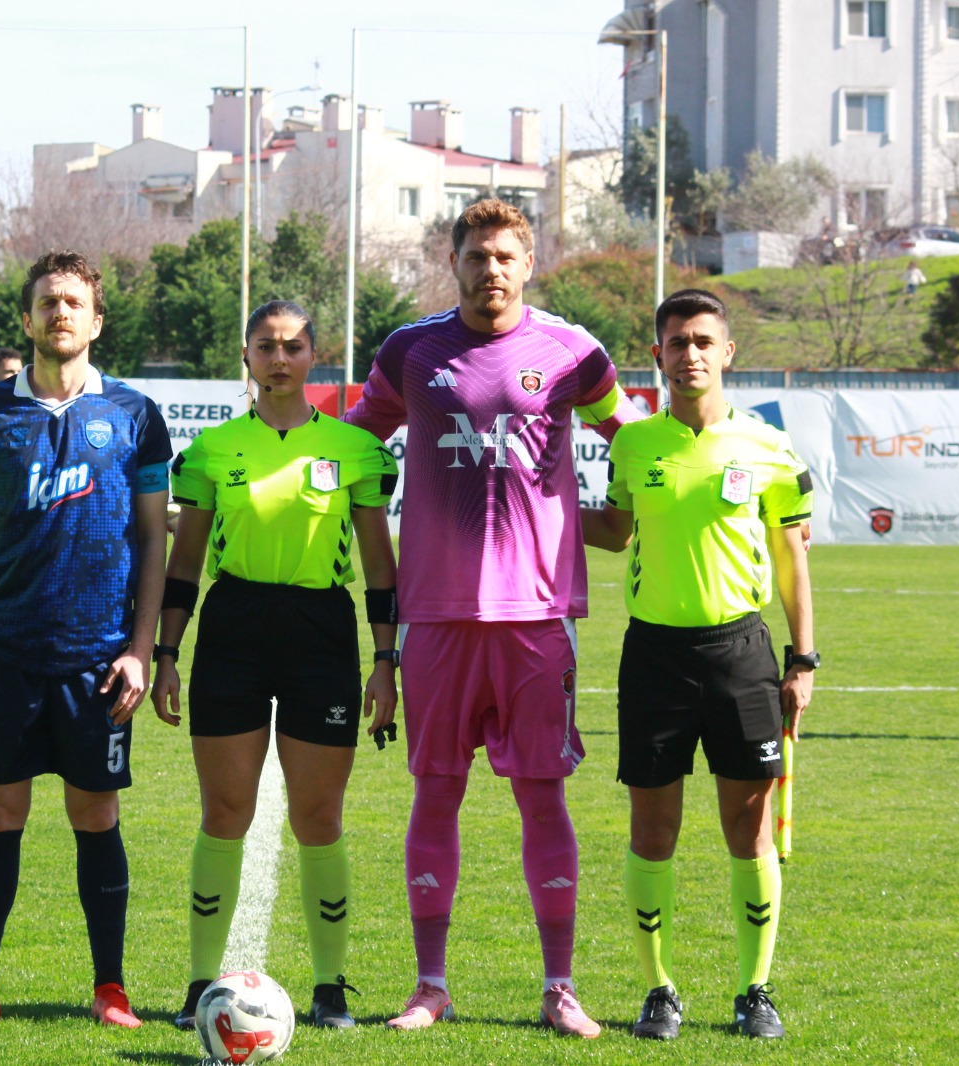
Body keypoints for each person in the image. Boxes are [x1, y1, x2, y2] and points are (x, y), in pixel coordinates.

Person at [343, 198, 640, 1037]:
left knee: (544, 800)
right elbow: (358, 443)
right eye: (477, 256)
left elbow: (637, 442)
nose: (492, 270)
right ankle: (429, 985)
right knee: (434, 796)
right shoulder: (410, 350)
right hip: (433, 615)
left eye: (507, 256)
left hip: (537, 617)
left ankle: (560, 989)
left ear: (530, 263)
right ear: (454, 262)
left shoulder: (575, 351)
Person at [0, 250, 171, 1030]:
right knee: (0, 815)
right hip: (2, 652)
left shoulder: (133, 415)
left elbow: (151, 539)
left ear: (96, 321)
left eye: (74, 302)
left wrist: (141, 646)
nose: (60, 313)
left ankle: (111, 988)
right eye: (47, 302)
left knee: (95, 819)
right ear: (27, 319)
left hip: (98, 658)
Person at [153, 301, 400, 1031]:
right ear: (247, 356)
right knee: (224, 813)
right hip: (231, 628)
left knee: (318, 816)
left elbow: (381, 568)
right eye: (267, 347)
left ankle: (330, 987)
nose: (280, 359)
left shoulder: (354, 450)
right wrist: (167, 654)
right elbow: (186, 561)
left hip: (320, 631)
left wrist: (386, 662)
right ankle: (201, 983)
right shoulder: (211, 451)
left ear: (315, 355)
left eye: (294, 346)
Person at [584, 288, 816, 1041]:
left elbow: (792, 562)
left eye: (703, 341)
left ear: (727, 353)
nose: (690, 354)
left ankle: (754, 990)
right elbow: (617, 531)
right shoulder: (633, 445)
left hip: (740, 654)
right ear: (656, 355)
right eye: (676, 342)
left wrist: (801, 659)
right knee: (652, 832)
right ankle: (659, 990)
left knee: (746, 834)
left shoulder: (769, 447)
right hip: (653, 655)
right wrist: (537, 505)